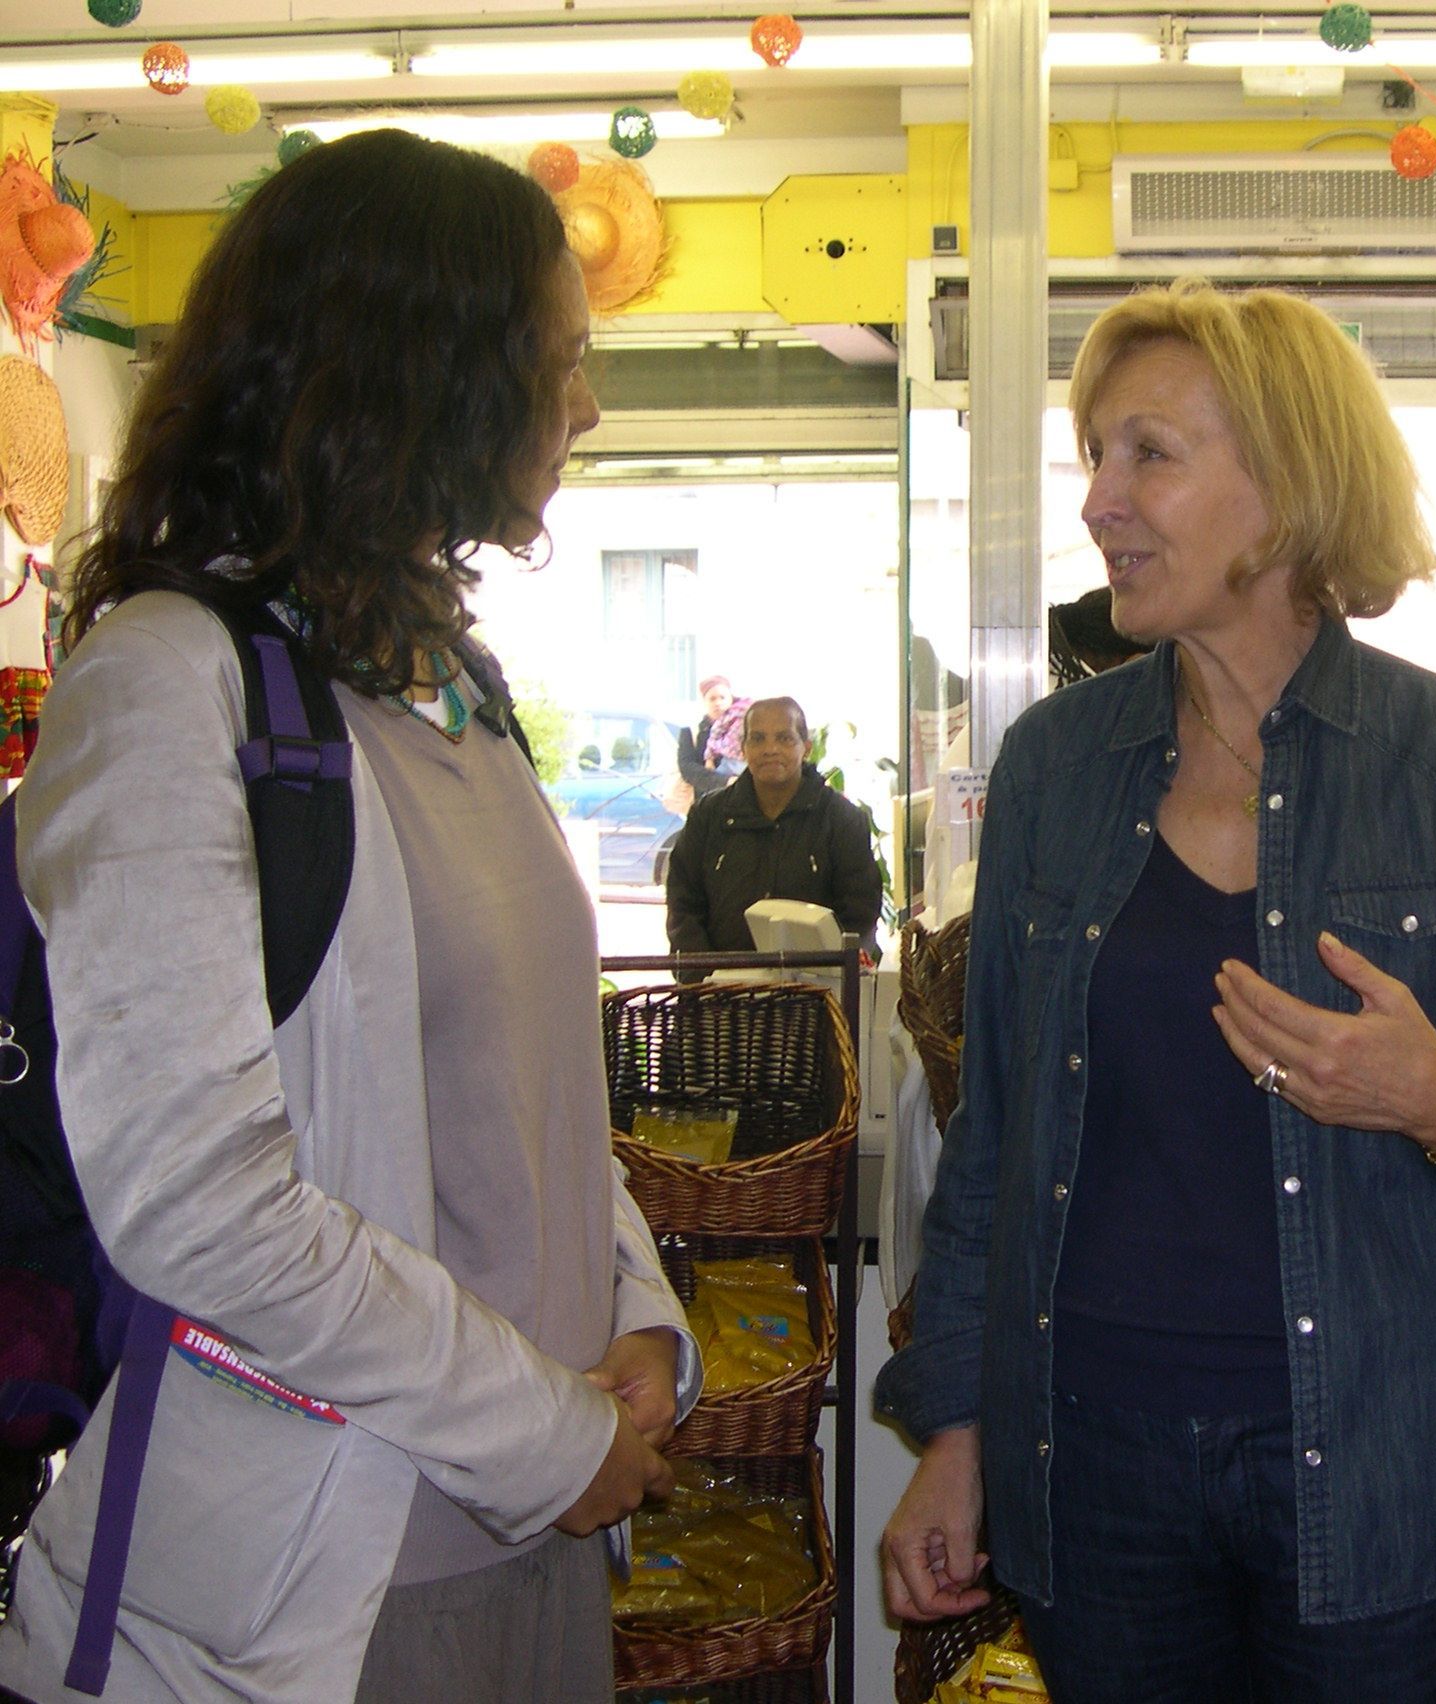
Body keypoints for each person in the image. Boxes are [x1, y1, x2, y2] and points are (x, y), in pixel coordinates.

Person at [0, 131, 696, 1704]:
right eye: (558, 363)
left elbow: (532, 1099)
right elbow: (197, 1203)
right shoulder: (164, 687)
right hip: (316, 1601)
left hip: (546, 1541)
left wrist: (643, 1325)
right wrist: (547, 1434)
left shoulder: (453, 688)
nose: (585, 408)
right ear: (423, 374)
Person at [874, 278, 1436, 1701]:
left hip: (1383, 1473)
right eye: (1096, 454)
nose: (1099, 500)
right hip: (1095, 1480)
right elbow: (995, 1144)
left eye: (1148, 453)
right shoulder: (1055, 768)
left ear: (1287, 483)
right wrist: (956, 1435)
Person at [664, 695, 884, 957]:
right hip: (719, 978)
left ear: (806, 747)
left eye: (784, 738)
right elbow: (683, 905)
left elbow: (860, 915)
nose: (770, 749)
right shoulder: (708, 816)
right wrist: (703, 974)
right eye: (757, 739)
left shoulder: (841, 819)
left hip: (817, 979)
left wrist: (834, 973)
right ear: (743, 748)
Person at [677, 673, 740, 797]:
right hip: (707, 799)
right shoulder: (691, 731)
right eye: (712, 698)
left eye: (722, 697)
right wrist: (725, 781)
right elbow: (687, 768)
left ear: (731, 699)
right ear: (704, 701)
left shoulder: (744, 728)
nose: (718, 703)